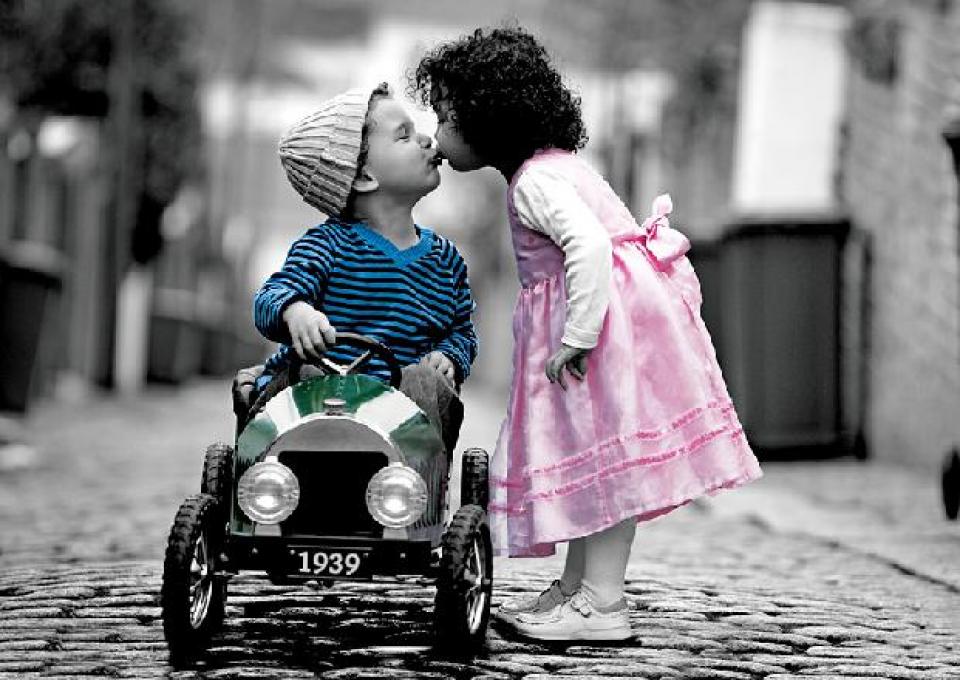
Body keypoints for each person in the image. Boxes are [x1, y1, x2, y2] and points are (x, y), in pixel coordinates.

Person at [412, 27, 762, 641]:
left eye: (444, 119)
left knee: (607, 464)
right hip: (616, 324)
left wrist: (577, 334)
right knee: (592, 461)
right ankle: (578, 588)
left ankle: (602, 604)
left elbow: (591, 246)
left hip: (599, 332)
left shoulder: (535, 183)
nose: (436, 136)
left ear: (485, 118)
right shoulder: (556, 167)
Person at [248, 82, 478, 454]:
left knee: (428, 382)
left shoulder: (446, 260)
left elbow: (462, 331)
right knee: (300, 375)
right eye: (404, 136)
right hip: (322, 407)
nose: (426, 140)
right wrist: (296, 310)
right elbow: (271, 296)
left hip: (402, 425)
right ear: (364, 177)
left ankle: (412, 481)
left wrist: (450, 355)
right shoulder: (326, 245)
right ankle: (268, 468)